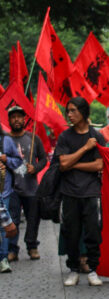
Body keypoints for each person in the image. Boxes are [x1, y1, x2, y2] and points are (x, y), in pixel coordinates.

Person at [55, 97, 107, 286]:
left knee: (93, 232)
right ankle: (73, 269)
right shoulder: (65, 137)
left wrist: (73, 164)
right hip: (69, 192)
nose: (69, 114)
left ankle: (93, 269)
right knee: (71, 232)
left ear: (84, 112)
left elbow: (99, 165)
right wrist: (85, 148)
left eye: (73, 110)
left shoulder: (96, 136)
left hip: (91, 192)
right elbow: (62, 164)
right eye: (68, 111)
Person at [7, 106, 47, 261]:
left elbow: (44, 159)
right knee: (13, 219)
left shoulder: (33, 138)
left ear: (25, 120)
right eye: (13, 117)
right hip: (11, 189)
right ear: (9, 120)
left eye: (19, 117)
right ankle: (12, 249)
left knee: (33, 219)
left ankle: (32, 246)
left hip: (30, 187)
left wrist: (35, 168)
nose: (16, 120)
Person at [0, 126, 22, 273]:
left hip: (4, 191)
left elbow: (18, 161)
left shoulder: (5, 140)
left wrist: (7, 160)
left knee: (4, 227)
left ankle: (3, 258)